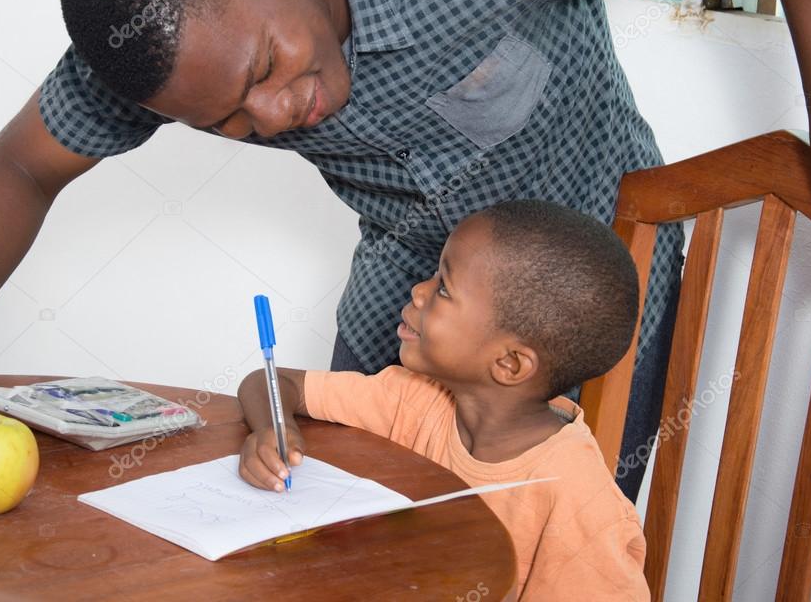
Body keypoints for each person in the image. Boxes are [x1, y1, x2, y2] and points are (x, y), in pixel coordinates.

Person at [0, 0, 811, 503]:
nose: (275, 112)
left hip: (595, 292)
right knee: (358, 539)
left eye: (266, 68)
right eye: (232, 123)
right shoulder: (153, 51)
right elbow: (16, 166)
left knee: (551, 541)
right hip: (408, 305)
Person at [237, 200, 648, 601]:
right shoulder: (412, 397)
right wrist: (275, 427)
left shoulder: (582, 508)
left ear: (508, 362)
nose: (418, 290)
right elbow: (271, 382)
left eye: (444, 288)